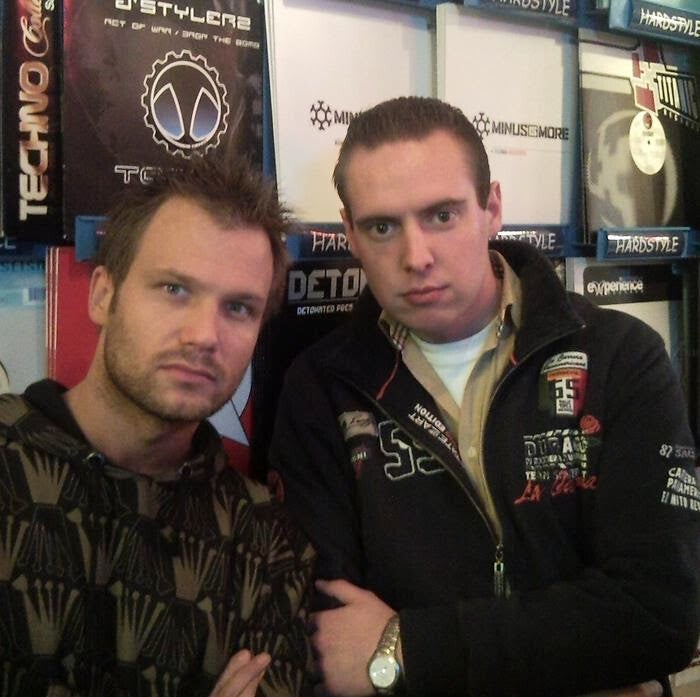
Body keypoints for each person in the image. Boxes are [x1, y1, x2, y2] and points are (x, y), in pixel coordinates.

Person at [268, 97, 700, 696]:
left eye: (442, 215)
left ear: (492, 208)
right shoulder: (321, 387)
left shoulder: (620, 355)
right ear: (350, 234)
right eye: (382, 227)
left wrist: (408, 646)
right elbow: (336, 640)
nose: (416, 257)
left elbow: (659, 614)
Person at [0, 157, 314, 696]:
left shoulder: (267, 545)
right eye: (174, 289)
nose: (204, 335)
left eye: (239, 308)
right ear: (103, 295)